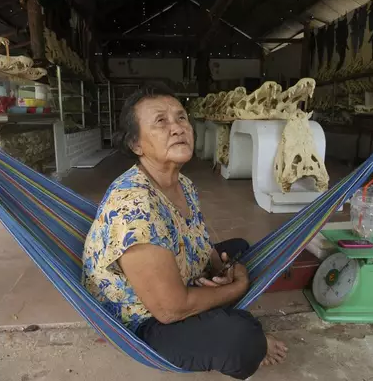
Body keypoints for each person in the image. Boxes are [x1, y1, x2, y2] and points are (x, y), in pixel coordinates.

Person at [82, 84, 287, 380]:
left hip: (175, 275)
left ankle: (214, 307)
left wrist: (222, 266)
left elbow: (201, 242)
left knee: (240, 247)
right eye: (161, 122)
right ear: (136, 144)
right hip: (144, 318)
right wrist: (236, 287)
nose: (177, 128)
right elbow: (169, 310)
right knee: (243, 339)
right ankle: (228, 319)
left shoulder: (183, 184)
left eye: (181, 118)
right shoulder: (133, 207)